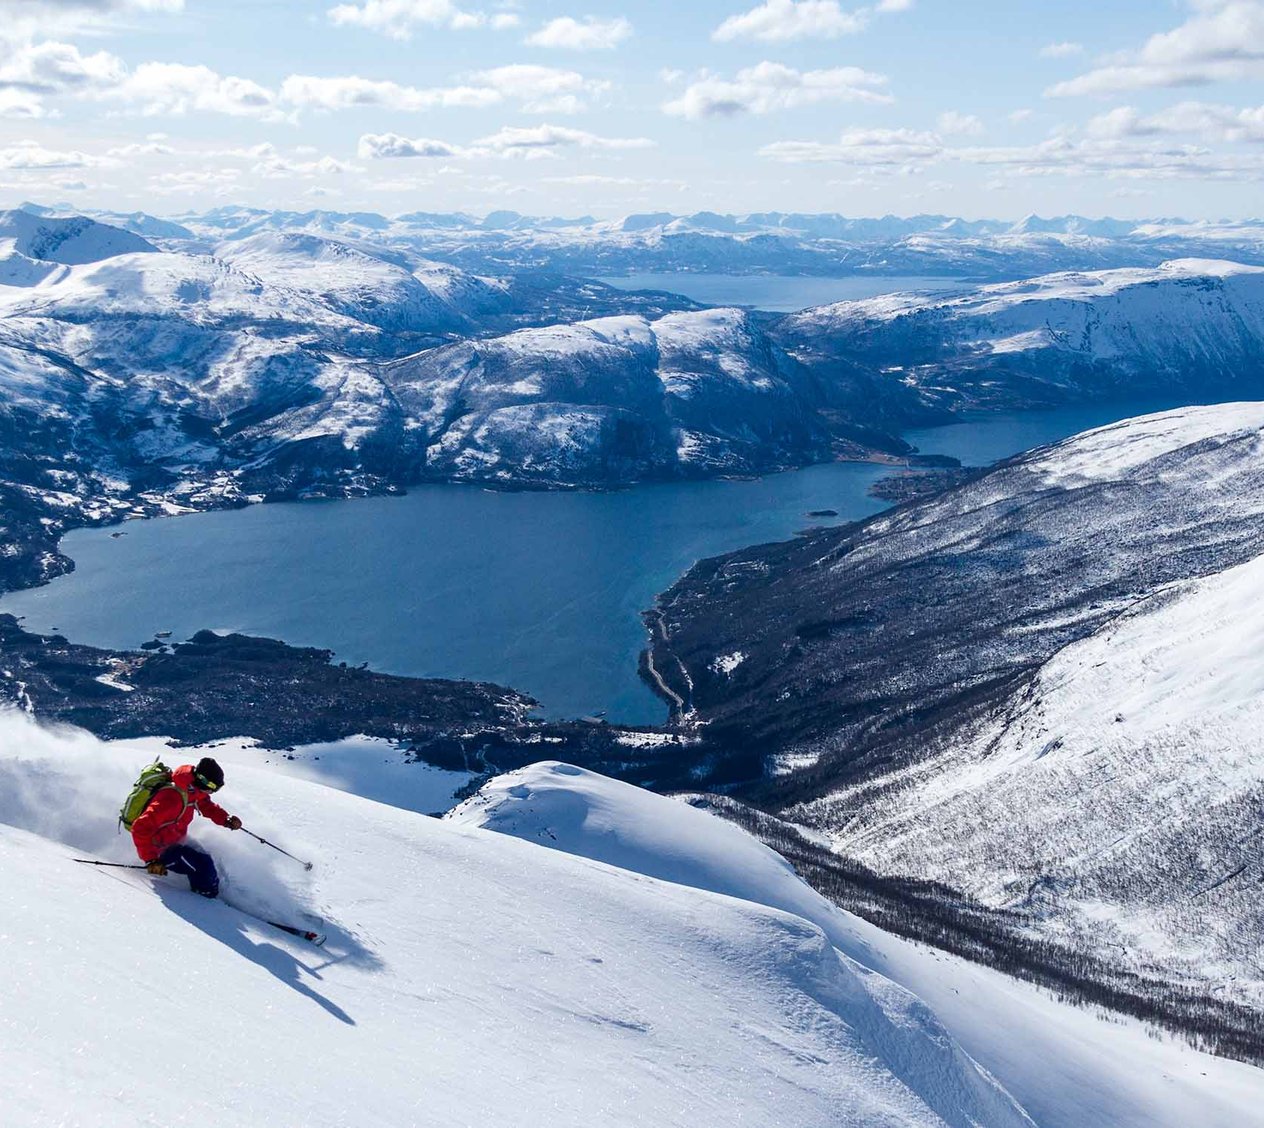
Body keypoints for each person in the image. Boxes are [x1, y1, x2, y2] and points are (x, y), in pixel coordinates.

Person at [131, 757, 242, 898]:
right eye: (213, 788)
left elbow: (205, 804)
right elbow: (140, 827)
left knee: (206, 858)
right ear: (203, 780)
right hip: (159, 848)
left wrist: (225, 820)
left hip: (175, 839)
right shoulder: (171, 798)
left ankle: (210, 892)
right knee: (203, 866)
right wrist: (151, 860)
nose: (212, 792)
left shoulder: (191, 788)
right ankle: (205, 903)